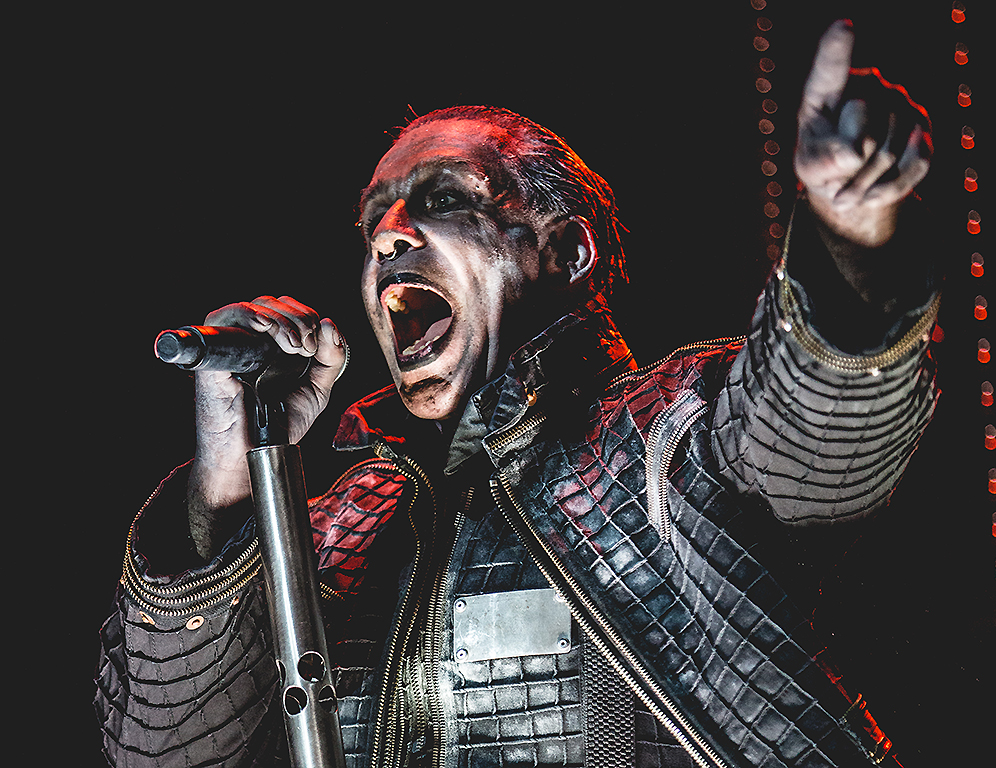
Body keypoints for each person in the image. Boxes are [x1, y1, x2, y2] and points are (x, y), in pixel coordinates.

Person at [95, 20, 940, 767]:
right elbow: (158, 751)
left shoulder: (660, 442)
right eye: (374, 221)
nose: (388, 236)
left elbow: (809, 433)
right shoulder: (328, 526)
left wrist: (850, 249)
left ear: (566, 255)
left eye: (444, 199)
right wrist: (230, 484)